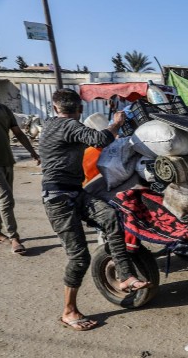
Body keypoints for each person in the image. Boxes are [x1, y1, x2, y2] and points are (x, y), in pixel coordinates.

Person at [39, 88, 150, 331]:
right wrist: (116, 124)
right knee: (79, 257)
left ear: (55, 107)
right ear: (79, 109)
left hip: (75, 192)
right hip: (58, 198)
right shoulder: (67, 125)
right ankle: (68, 311)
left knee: (111, 216)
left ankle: (124, 276)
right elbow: (99, 139)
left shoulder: (51, 124)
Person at [0, 71, 40, 255]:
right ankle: (14, 237)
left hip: (6, 159)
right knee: (6, 196)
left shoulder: (4, 110)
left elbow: (19, 133)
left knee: (1, 196)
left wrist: (33, 152)